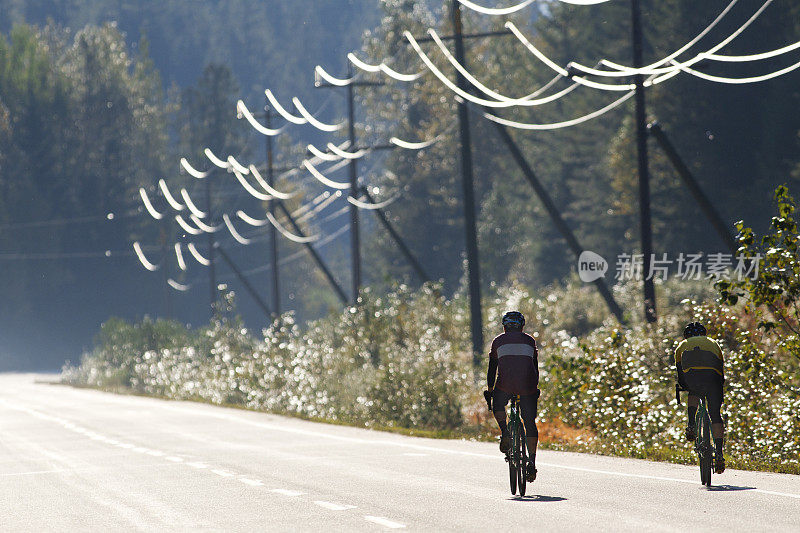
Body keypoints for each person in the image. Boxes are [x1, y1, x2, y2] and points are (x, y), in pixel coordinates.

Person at [483, 310, 540, 482]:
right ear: (522, 326)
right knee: (529, 422)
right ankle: (531, 461)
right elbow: (534, 369)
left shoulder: (498, 341)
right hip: (528, 387)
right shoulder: (530, 341)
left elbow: (492, 368)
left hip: (504, 386)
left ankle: (505, 431)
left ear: (505, 326)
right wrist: (534, 389)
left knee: (498, 404)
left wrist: (490, 390)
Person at [674, 321, 726, 474]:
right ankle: (719, 454)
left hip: (694, 377)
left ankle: (691, 424)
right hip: (714, 379)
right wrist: (718, 387)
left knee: (693, 392)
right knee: (715, 415)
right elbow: (721, 368)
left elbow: (679, 370)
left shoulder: (682, 345)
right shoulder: (714, 343)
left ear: (686, 336)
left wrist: (685, 385)